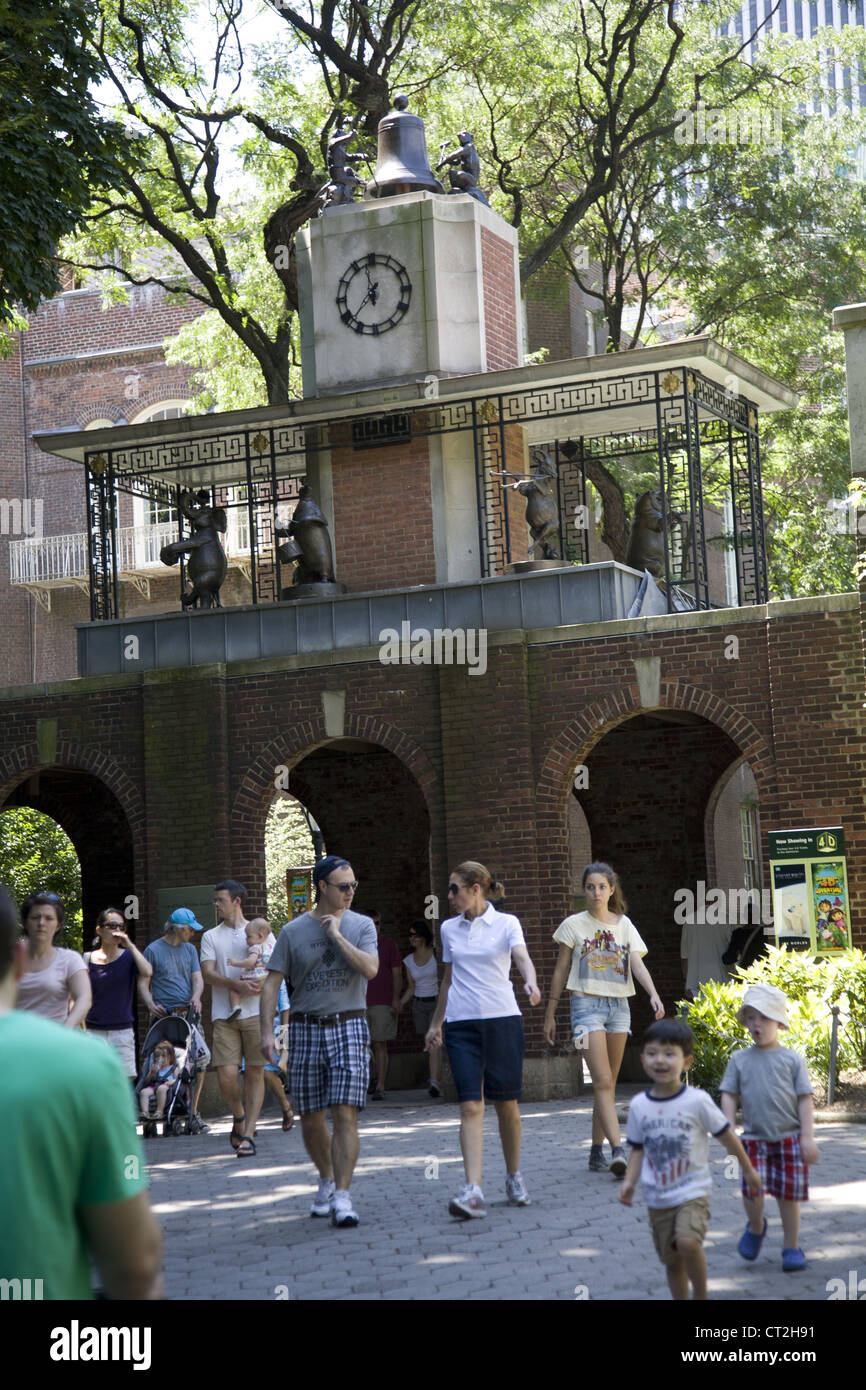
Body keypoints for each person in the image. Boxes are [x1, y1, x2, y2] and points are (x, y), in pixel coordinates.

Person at [0, 882, 162, 1299]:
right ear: (18, 960)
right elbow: (135, 1261)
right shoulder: (87, 1069)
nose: (40, 924)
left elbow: (87, 998)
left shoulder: (73, 960)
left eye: (48, 918)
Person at [260, 855, 378, 1228]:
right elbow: (272, 983)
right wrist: (267, 1033)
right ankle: (326, 1177)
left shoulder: (361, 925)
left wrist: (337, 935)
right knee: (311, 1117)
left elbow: (370, 969)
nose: (350, 893)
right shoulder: (293, 931)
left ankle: (343, 1195)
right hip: (307, 1028)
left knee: (345, 1112)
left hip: (350, 1024)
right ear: (322, 887)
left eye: (354, 886)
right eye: (344, 886)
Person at [425, 862, 540, 1219]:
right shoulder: (448, 929)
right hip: (461, 1025)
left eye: (454, 889)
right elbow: (448, 979)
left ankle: (513, 1175)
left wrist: (531, 982)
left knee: (507, 1104)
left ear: (476, 889)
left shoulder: (507, 923)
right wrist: (436, 1023)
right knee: (470, 1105)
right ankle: (473, 1189)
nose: (449, 896)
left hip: (502, 1020)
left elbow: (522, 957)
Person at [618, 1019, 762, 1301]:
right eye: (653, 1052)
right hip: (657, 1197)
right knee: (671, 1260)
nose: (660, 1060)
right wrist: (629, 1182)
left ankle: (702, 1295)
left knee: (686, 1242)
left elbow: (727, 1136)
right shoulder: (638, 1106)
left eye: (669, 1054)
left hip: (693, 1192)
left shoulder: (697, 1101)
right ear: (643, 1058)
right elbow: (637, 1150)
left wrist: (748, 1170)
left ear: (686, 1062)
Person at [544, 861, 664, 1176]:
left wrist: (653, 993)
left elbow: (636, 963)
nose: (596, 893)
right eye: (590, 887)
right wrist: (550, 1012)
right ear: (584, 891)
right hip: (585, 1006)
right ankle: (617, 1149)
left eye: (602, 887)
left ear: (611, 889)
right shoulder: (573, 925)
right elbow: (560, 970)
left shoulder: (624, 925)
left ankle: (596, 1150)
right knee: (602, 1081)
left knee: (607, 1084)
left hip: (619, 1008)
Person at [719, 983, 819, 1272]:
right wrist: (728, 1128)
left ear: (779, 1022)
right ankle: (756, 1225)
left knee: (788, 1197)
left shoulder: (792, 1060)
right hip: (752, 1141)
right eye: (750, 1017)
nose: (756, 1024)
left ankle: (791, 1246)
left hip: (788, 1138)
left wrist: (808, 1137)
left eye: (763, 1018)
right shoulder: (739, 1060)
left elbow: (804, 1100)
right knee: (752, 1192)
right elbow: (729, 1094)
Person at [201, 880, 274, 1157]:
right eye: (216, 900)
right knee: (227, 1075)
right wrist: (237, 986)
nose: (216, 904)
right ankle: (239, 1114)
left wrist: (264, 989)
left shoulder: (261, 930)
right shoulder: (211, 936)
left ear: (237, 901)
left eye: (220, 900)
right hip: (224, 1014)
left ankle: (248, 1134)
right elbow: (208, 973)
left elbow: (276, 967)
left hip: (257, 1013)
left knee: (255, 1071)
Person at [141, 907, 209, 1130]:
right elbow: (143, 982)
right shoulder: (152, 950)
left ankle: (193, 1112)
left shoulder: (190, 950)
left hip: (188, 1014)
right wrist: (150, 1004)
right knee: (161, 1062)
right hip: (165, 1016)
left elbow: (197, 979)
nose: (193, 933)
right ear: (179, 929)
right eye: (190, 929)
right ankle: (156, 1111)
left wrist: (196, 996)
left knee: (199, 1062)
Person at [85, 906, 153, 1081]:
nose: (117, 930)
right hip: (93, 1031)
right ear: (99, 930)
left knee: (122, 1083)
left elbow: (147, 971)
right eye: (112, 925)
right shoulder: (86, 959)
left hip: (122, 1031)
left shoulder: (129, 957)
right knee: (95, 1081)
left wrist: (129, 944)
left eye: (121, 926)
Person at [16, 890, 91, 1027]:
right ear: (25, 922)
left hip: (55, 1040)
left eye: (48, 918)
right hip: (14, 1039)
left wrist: (66, 1029)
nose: (41, 923)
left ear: (58, 925)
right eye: (35, 917)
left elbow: (84, 998)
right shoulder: (9, 959)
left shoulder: (70, 959)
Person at [399, 920, 442, 1097]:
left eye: (415, 935)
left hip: (436, 1003)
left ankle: (434, 1083)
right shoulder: (408, 961)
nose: (412, 938)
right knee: (429, 1043)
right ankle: (436, 1077)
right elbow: (411, 987)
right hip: (419, 1005)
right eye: (410, 935)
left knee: (434, 1044)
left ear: (423, 936)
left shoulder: (436, 954)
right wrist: (400, 1003)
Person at [365, 909, 402, 1099]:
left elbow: (397, 973)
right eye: (370, 923)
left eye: (377, 923)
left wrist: (395, 998)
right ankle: (371, 1078)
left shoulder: (388, 945)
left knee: (380, 1043)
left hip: (382, 1002)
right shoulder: (358, 945)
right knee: (364, 1045)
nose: (374, 926)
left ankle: (380, 1085)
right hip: (360, 1003)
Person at [227, 917, 272, 1021]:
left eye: (249, 937)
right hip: (267, 979)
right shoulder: (270, 947)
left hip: (256, 976)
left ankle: (235, 1007)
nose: (246, 940)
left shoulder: (256, 947)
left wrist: (235, 963)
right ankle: (271, 1008)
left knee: (233, 985)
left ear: (260, 936)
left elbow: (250, 962)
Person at [679, 919, 731, 1002]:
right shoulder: (726, 919)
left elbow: (684, 957)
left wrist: (688, 983)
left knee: (702, 1014)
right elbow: (735, 951)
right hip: (722, 981)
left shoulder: (689, 921)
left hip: (696, 983)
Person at [138, 1040, 179, 1124]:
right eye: (157, 1057)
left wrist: (172, 1081)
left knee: (161, 1089)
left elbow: (178, 1079)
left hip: (167, 1087)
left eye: (163, 1056)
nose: (160, 1059)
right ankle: (145, 1112)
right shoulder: (156, 1068)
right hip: (154, 1086)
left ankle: (159, 1111)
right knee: (143, 1092)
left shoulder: (173, 1068)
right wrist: (152, 1073)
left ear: (170, 1057)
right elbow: (147, 1081)